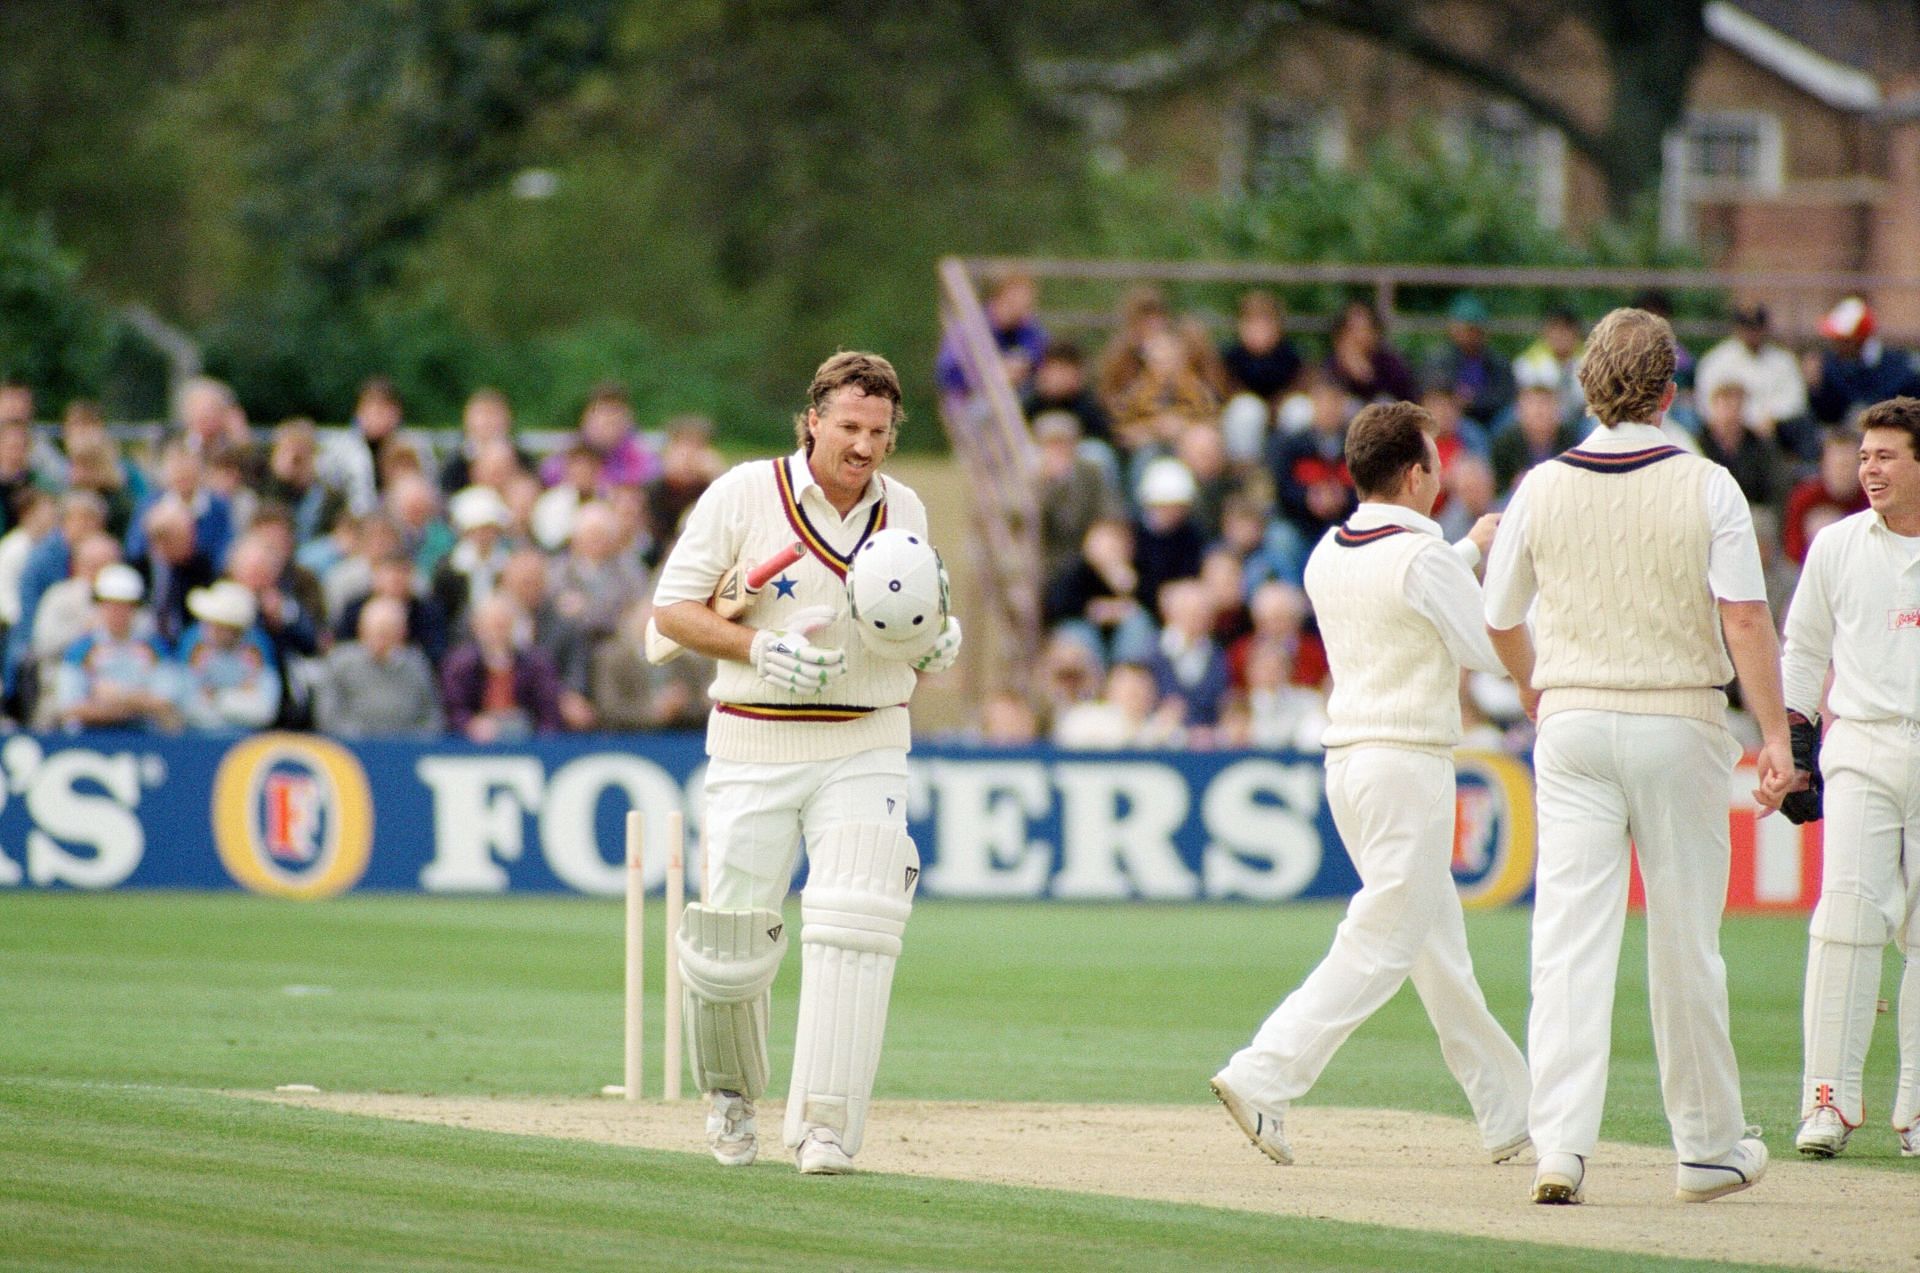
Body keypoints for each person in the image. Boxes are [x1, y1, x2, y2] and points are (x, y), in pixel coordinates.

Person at [1483, 306, 1791, 1205]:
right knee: (1685, 941)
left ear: (1586, 384)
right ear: (1668, 390)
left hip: (1574, 722)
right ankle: (1704, 1146)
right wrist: (1775, 734)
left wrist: (1538, 690)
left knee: (1567, 942)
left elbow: (1499, 616)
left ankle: (1560, 1146)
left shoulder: (1541, 484)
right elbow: (1742, 614)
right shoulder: (1708, 484)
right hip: (1675, 719)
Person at [650, 351, 960, 1175]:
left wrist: (936, 636)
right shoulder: (746, 492)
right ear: (813, 420)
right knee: (730, 940)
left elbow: (907, 617)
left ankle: (825, 1124)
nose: (862, 445)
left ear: (895, 434)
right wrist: (758, 647)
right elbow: (672, 612)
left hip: (867, 736)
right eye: (848, 427)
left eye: (878, 431)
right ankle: (728, 1098)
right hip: (754, 737)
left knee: (859, 914)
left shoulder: (908, 508)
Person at [1210, 400, 1529, 1167]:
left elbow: (1404, 588)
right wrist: (1496, 569)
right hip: (1405, 763)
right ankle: (1265, 1072)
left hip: (1351, 762)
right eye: (1436, 462)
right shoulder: (1420, 559)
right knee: (1386, 940)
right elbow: (1483, 643)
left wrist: (1466, 552)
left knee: (1436, 950)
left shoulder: (1328, 550)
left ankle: (1511, 1112)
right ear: (1417, 473)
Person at [1776, 396, 1920, 1160]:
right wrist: (1795, 747)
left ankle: (1917, 1108)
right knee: (1843, 922)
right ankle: (1826, 1100)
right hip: (1860, 746)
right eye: (1865, 455)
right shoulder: (1835, 547)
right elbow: (1801, 652)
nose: (1869, 468)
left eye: (1887, 455)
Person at [51, 563, 177, 733]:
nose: (117, 612)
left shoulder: (154, 648)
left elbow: (165, 702)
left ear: (135, 608)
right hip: (90, 737)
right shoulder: (81, 650)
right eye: (111, 605)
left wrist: (120, 696)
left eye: (125, 605)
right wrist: (138, 704)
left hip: (144, 738)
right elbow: (70, 707)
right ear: (100, 605)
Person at [1694, 304, 1814, 460]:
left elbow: (1796, 400)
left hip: (1774, 427)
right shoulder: (1717, 360)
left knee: (1803, 425)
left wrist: (1771, 417)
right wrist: (1743, 421)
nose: (1752, 334)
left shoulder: (1783, 360)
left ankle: (1806, 476)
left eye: (1756, 328)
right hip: (1729, 428)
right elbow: (1705, 402)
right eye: (1747, 328)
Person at [313, 595, 442, 738]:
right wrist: (361, 739)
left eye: (389, 632)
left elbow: (432, 714)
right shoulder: (340, 662)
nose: (383, 639)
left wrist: (414, 740)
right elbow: (327, 713)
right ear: (362, 630)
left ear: (402, 633)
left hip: (407, 749)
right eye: (378, 631)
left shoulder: (416, 664)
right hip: (351, 748)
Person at [175, 581, 280, 731]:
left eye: (219, 625)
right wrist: (240, 700)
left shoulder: (257, 649)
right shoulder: (194, 645)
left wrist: (218, 697)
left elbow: (264, 711)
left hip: (245, 743)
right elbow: (188, 706)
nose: (211, 629)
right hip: (198, 740)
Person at [1808, 298, 1920, 427]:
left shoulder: (1899, 367)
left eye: (1843, 341)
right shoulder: (1829, 364)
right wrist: (1816, 389)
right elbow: (1826, 415)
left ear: (1860, 340)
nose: (1836, 346)